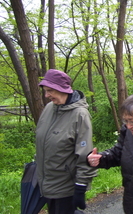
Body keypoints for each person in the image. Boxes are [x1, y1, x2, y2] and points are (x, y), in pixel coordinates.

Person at [35, 69, 97, 214]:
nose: (46, 95)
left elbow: (86, 154)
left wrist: (81, 186)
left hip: (65, 188)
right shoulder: (49, 108)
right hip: (46, 184)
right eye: (45, 91)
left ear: (63, 89)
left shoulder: (80, 114)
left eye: (50, 90)